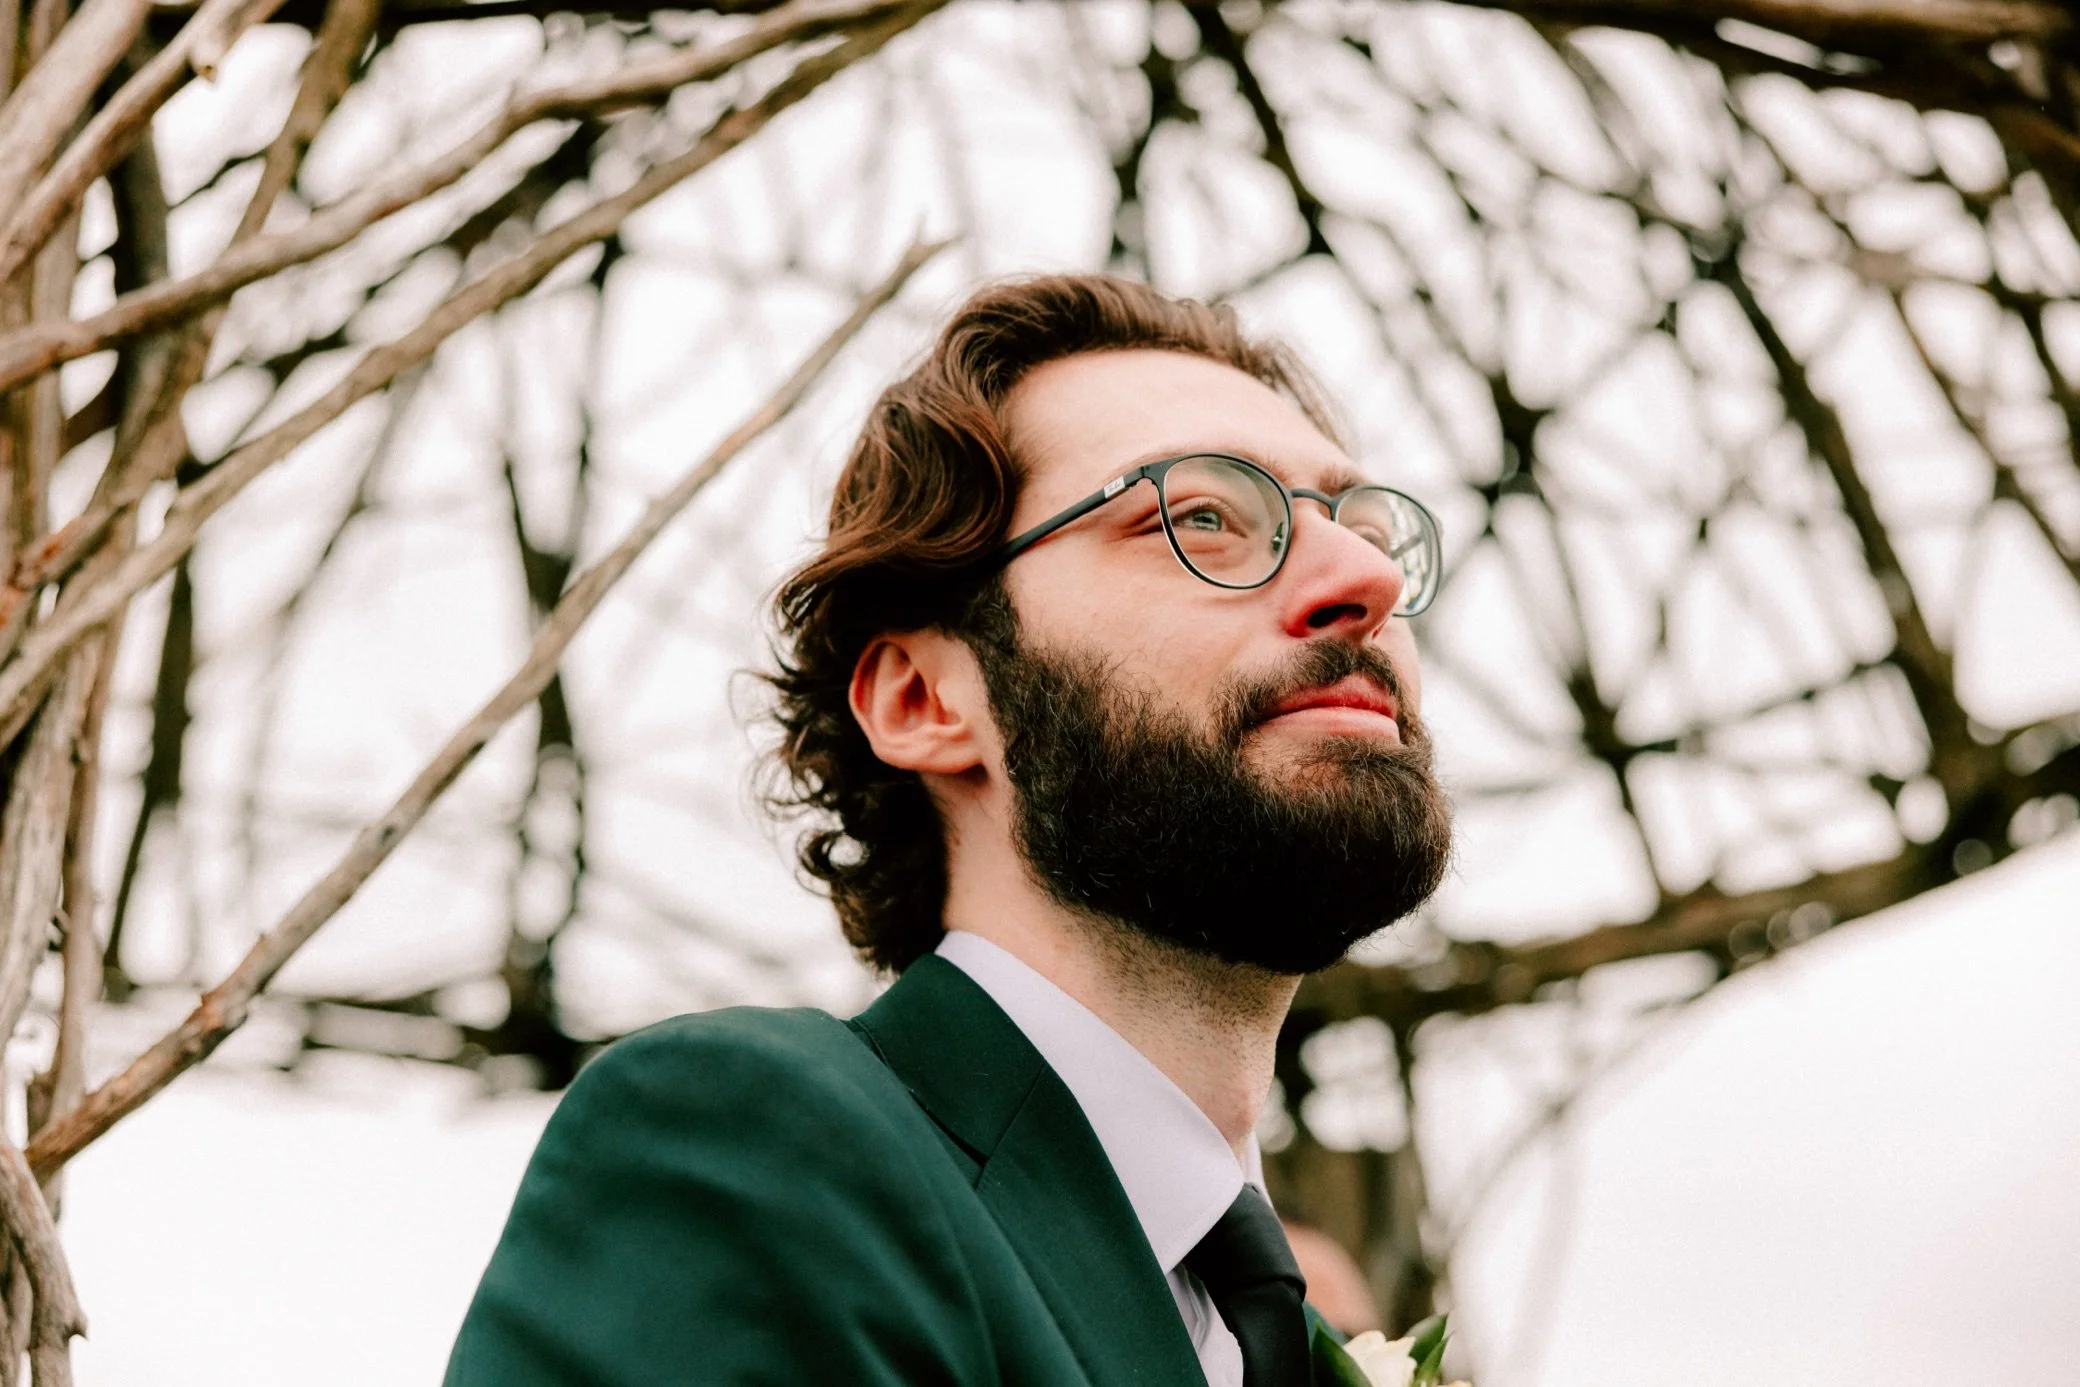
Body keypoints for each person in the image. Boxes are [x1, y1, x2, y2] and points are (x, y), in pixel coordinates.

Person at [444, 274, 1454, 1386]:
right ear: (925, 700)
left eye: (1362, 527)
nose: (1362, 576)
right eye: (1203, 516)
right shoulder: (762, 1153)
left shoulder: (1291, 1343)